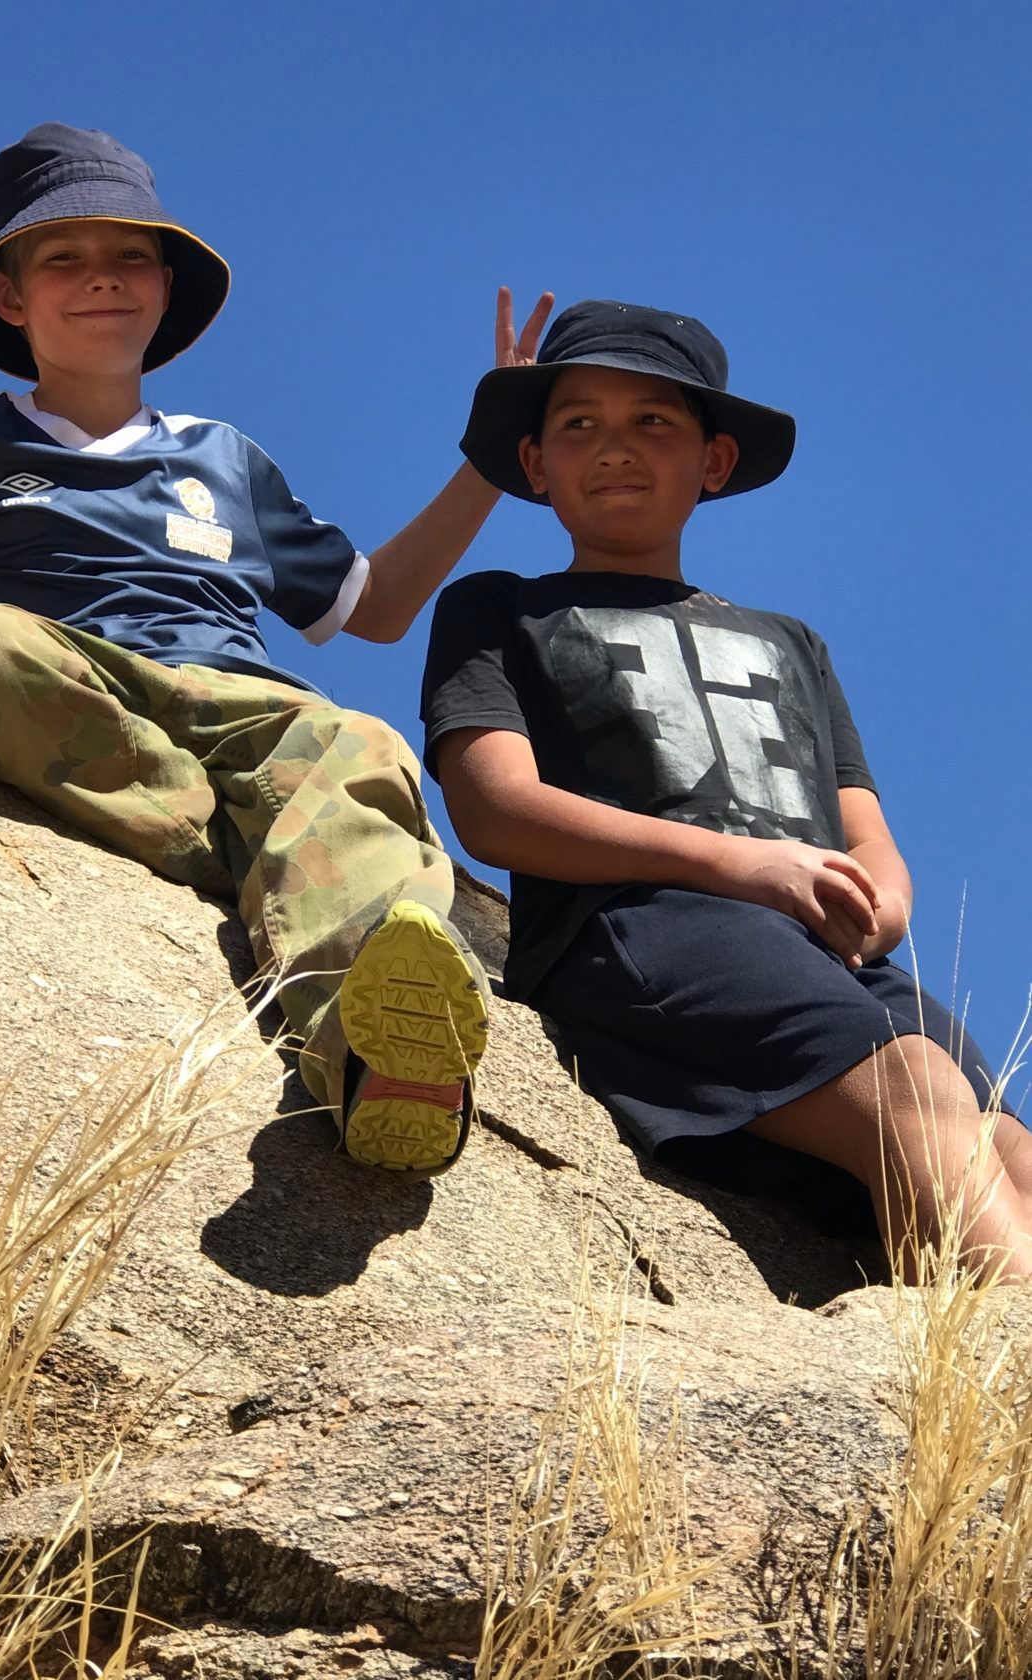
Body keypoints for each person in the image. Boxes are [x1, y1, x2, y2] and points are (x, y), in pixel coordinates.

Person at [0, 120, 553, 1178]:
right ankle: (259, 852)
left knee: (360, 742)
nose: (102, 277)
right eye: (63, 257)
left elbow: (373, 608)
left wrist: (491, 461)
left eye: (129, 255)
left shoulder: (224, 460)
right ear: (9, 297)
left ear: (165, 286)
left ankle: (379, 1057)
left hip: (236, 704)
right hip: (66, 689)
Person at [421, 298, 1032, 1278]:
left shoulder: (791, 642)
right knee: (914, 1088)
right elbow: (493, 808)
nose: (614, 446)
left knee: (1011, 1146)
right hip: (644, 924)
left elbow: (861, 823)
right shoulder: (500, 608)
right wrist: (736, 864)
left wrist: (885, 899)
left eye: (653, 420)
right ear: (533, 464)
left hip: (826, 948)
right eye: (578, 423)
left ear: (715, 460)